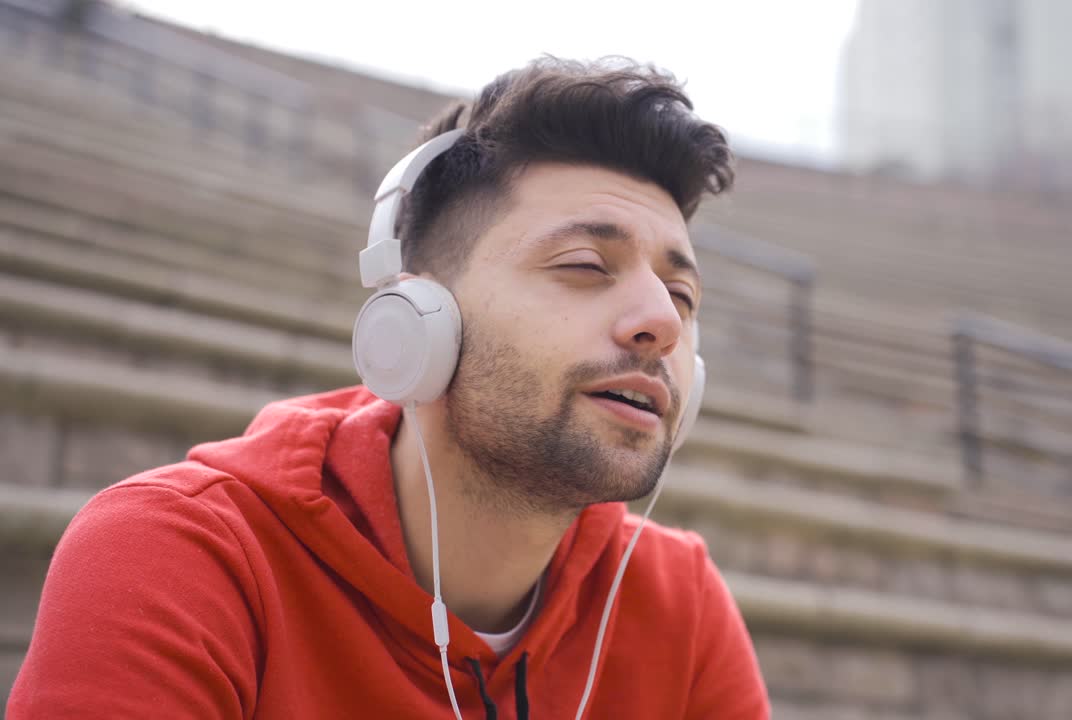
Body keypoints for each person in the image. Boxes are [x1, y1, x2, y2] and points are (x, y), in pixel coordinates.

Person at [7, 57, 770, 719]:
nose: (659, 324)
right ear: (418, 321)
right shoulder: (177, 559)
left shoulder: (680, 605)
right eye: (583, 266)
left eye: (682, 297)